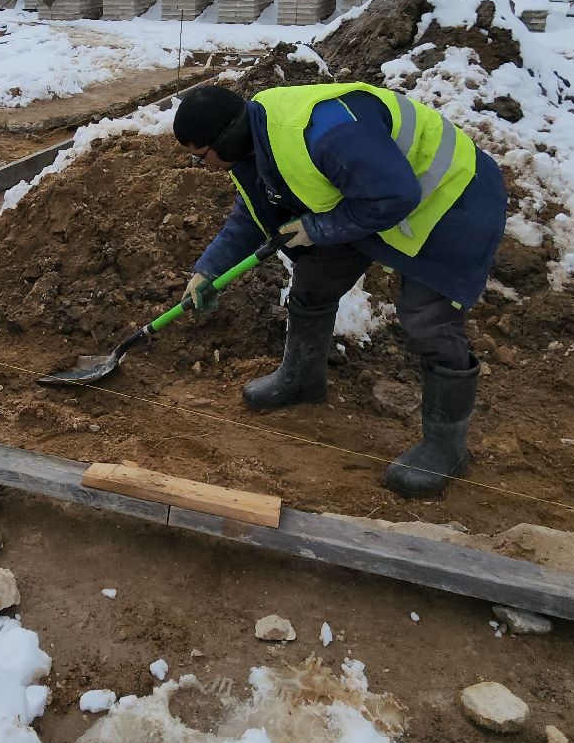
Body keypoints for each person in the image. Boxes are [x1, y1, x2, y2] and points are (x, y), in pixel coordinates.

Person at [173, 82, 507, 498]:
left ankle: (446, 447)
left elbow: (396, 194)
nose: (202, 165)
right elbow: (250, 215)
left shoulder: (323, 132)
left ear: (225, 137)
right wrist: (207, 270)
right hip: (364, 198)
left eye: (201, 155)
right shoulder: (255, 141)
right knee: (314, 280)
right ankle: (302, 379)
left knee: (426, 319)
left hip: (452, 199)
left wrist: (315, 228)